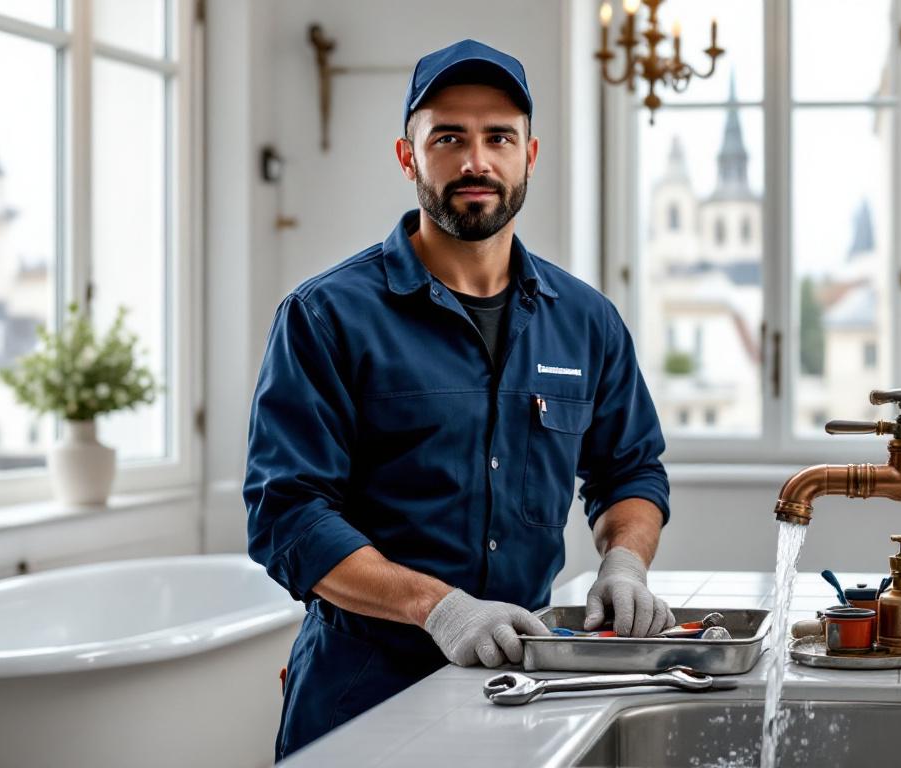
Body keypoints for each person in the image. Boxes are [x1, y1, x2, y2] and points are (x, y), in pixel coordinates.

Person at [244, 39, 674, 760]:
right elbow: (288, 516)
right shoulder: (325, 316)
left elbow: (630, 471)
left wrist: (625, 563)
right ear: (408, 156)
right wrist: (436, 608)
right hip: (360, 689)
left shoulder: (587, 320)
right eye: (449, 137)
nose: (476, 161)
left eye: (497, 137)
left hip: (527, 685)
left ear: (529, 155)